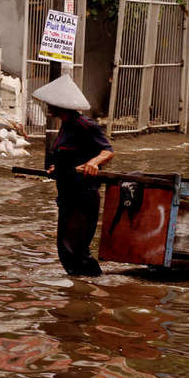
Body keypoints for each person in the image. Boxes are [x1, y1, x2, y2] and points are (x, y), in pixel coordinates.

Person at [35, 75, 114, 276]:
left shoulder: (85, 125)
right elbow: (67, 157)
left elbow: (107, 151)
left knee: (75, 249)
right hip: (67, 195)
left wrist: (93, 163)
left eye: (50, 103)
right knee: (65, 249)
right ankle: (82, 286)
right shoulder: (65, 127)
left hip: (83, 194)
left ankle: (93, 285)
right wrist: (56, 168)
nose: (47, 106)